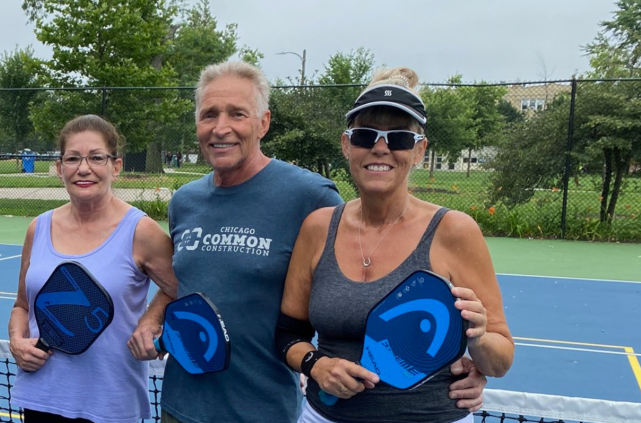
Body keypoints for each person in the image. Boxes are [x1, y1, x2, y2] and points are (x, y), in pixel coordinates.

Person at [137, 61, 490, 423]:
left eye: (237, 113)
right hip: (178, 407)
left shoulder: (311, 197)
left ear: (263, 123)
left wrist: (464, 357)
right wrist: (152, 317)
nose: (220, 127)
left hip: (266, 411)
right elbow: (185, 280)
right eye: (209, 114)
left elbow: (357, 283)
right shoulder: (185, 201)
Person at [279, 67, 514, 423]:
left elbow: (499, 360)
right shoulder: (317, 228)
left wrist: (479, 341)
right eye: (365, 135)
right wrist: (316, 364)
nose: (380, 147)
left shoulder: (454, 231)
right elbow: (287, 335)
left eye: (400, 138)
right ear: (346, 145)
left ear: (420, 151)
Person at [7, 114, 177, 423]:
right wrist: (17, 342)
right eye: (73, 158)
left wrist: (152, 321)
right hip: (41, 400)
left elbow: (182, 289)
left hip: (110, 406)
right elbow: (21, 305)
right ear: (60, 168)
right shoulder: (39, 228)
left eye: (96, 157)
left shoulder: (142, 232)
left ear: (116, 166)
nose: (83, 168)